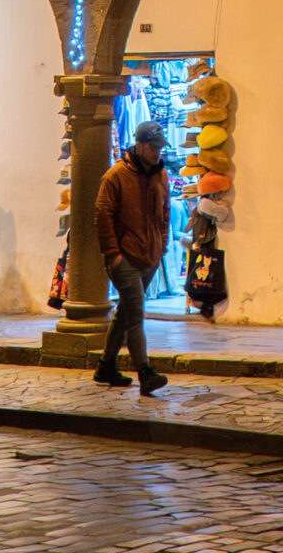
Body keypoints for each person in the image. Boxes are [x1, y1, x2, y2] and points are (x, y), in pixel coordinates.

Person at [93, 119, 171, 394]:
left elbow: (165, 210)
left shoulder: (160, 174)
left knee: (125, 312)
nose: (157, 152)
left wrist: (161, 245)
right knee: (136, 313)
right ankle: (145, 372)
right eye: (153, 147)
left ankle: (106, 366)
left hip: (149, 255)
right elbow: (102, 214)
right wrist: (113, 254)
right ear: (139, 145)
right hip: (124, 257)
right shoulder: (116, 176)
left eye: (160, 148)